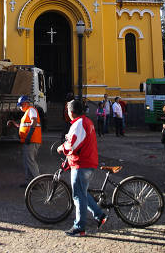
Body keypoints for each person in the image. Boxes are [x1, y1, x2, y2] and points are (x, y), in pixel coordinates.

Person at [58, 99, 107, 237]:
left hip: (82, 164)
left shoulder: (78, 124)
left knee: (78, 196)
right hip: (88, 161)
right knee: (83, 193)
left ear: (71, 112)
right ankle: (100, 215)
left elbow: (71, 145)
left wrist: (61, 148)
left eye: (68, 110)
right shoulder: (87, 121)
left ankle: (79, 227)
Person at [7, 95, 41, 188]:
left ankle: (38, 181)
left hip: (32, 140)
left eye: (21, 104)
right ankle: (30, 182)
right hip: (29, 140)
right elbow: (25, 126)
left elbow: (33, 122)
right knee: (27, 161)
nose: (20, 106)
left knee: (30, 161)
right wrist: (14, 124)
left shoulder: (31, 110)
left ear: (26, 103)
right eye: (19, 105)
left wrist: (29, 136)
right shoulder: (27, 112)